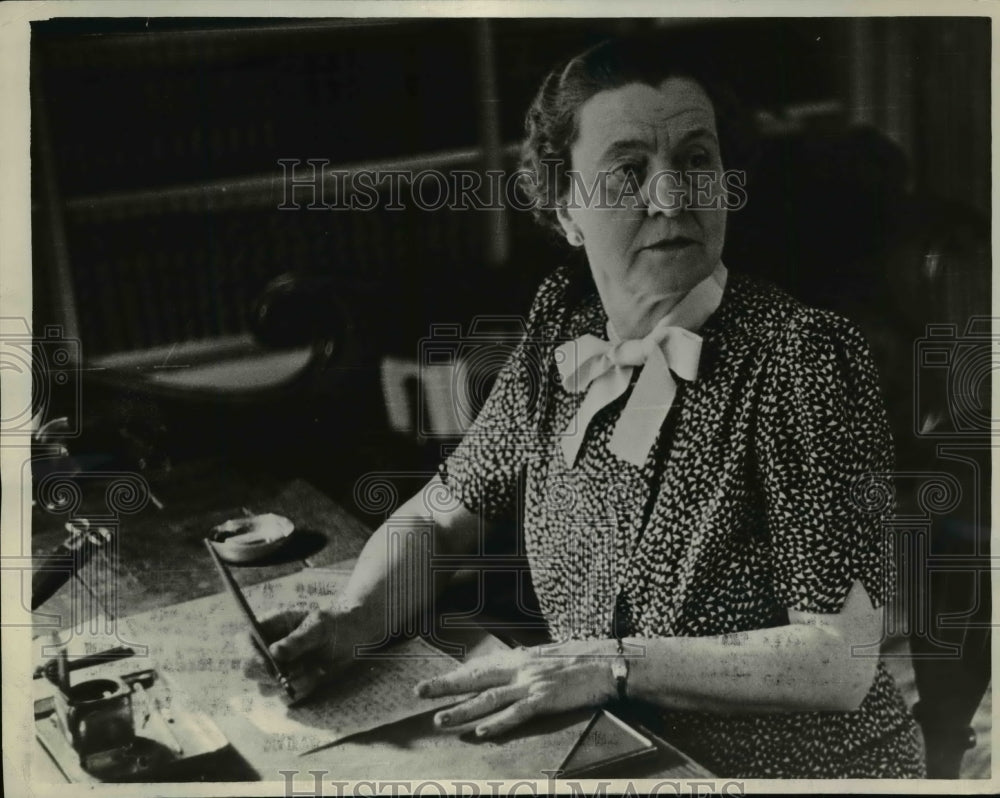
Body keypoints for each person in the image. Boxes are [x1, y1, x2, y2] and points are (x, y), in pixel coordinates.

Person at [262, 37, 925, 779]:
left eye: (696, 160)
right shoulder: (563, 325)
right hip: (621, 758)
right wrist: (352, 620)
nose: (672, 197)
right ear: (564, 209)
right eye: (629, 170)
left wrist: (607, 661)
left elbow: (838, 661)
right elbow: (445, 516)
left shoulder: (802, 358)